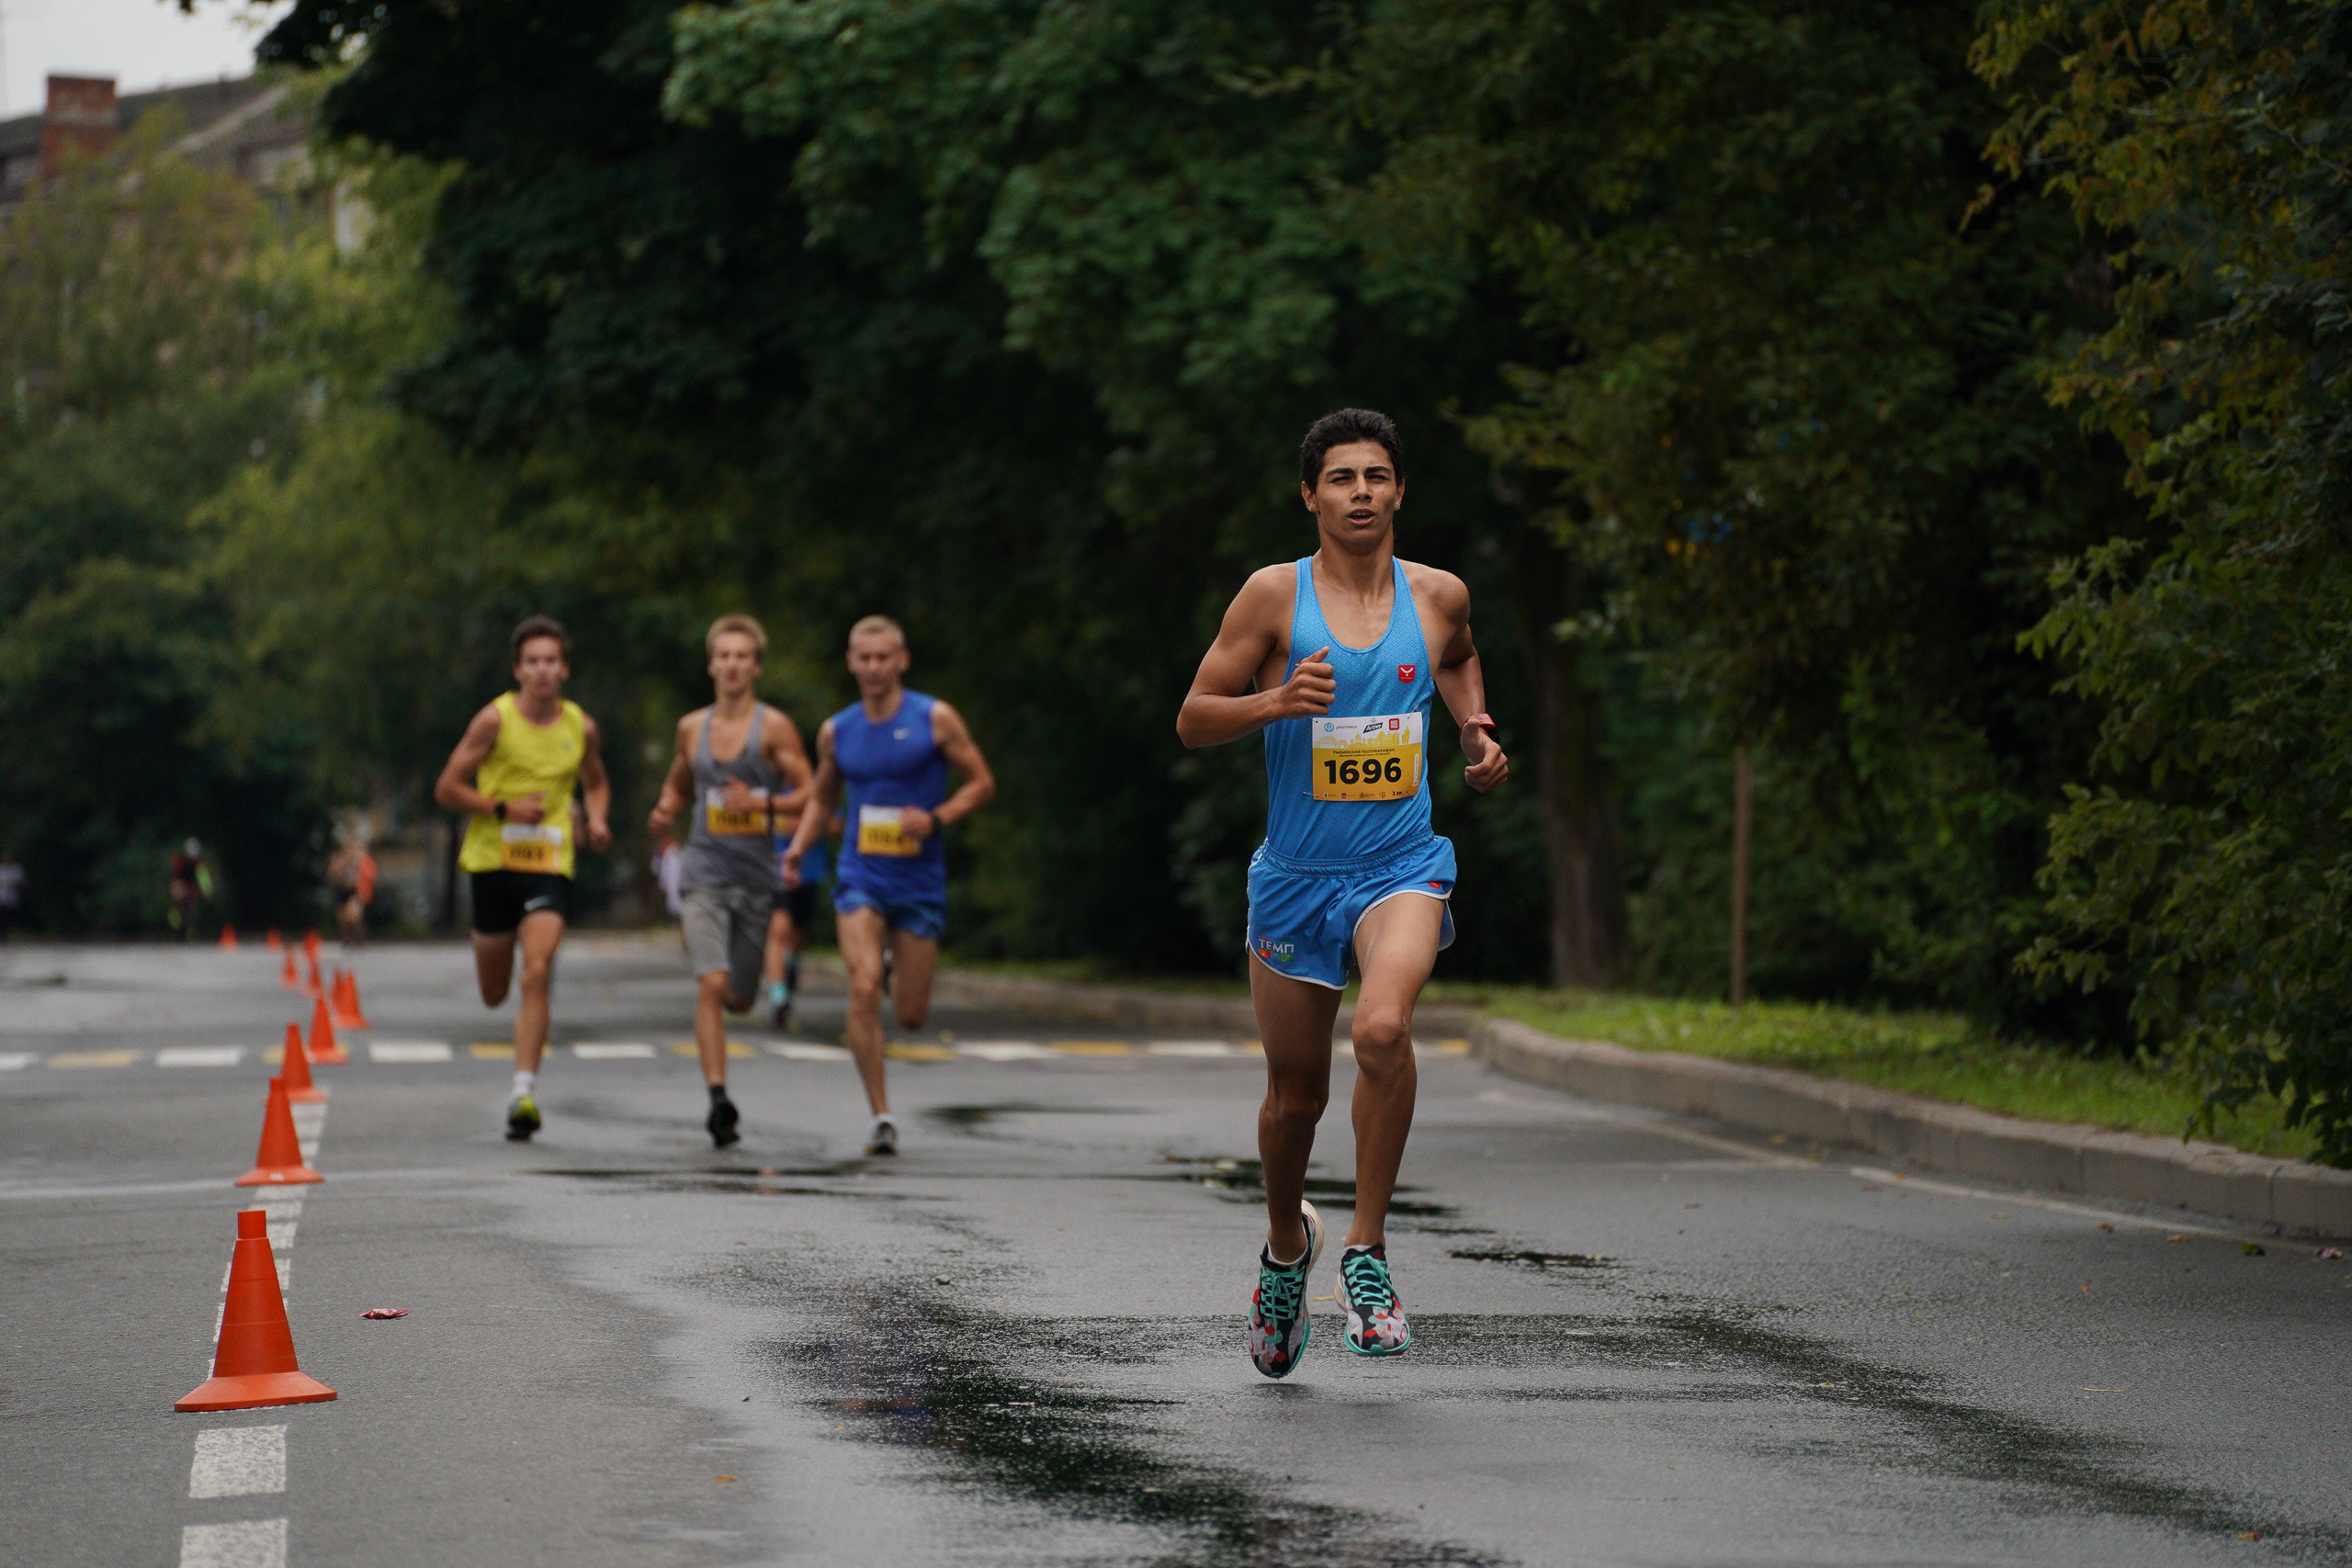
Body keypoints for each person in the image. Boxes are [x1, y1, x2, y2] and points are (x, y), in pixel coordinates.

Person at [1177, 408, 1509, 1379]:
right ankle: (1287, 1250)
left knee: (1383, 1029)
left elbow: (1457, 657)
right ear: (1310, 496)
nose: (1360, 492)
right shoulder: (1271, 597)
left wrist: (1474, 729)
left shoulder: (1438, 594)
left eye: (1376, 476)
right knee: (1295, 1100)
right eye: (1340, 478)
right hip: (1295, 880)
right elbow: (1194, 717)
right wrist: (1277, 700)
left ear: (1399, 490)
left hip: (1401, 865)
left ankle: (1366, 1250)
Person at [781, 616, 995, 1156]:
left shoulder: (934, 718)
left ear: (902, 660)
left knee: (910, 1016)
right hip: (860, 876)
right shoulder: (837, 731)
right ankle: (881, 1115)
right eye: (865, 657)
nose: (874, 667)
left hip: (918, 882)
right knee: (861, 986)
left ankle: (895, 968)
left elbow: (981, 783)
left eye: (883, 657)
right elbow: (823, 799)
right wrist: (798, 847)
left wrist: (937, 817)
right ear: (851, 663)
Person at [434, 615, 613, 1142]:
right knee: (494, 992)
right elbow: (447, 788)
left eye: (551, 661)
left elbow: (596, 782)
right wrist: (503, 808)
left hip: (549, 866)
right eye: (532, 662)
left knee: (537, 971)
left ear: (565, 669)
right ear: (518, 670)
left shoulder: (580, 727)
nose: (542, 671)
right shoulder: (494, 721)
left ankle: (523, 1092)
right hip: (492, 863)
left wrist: (597, 819)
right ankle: (518, 1065)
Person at [646, 615, 813, 1147]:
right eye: (724, 655)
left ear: (756, 667)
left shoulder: (775, 728)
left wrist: (761, 804)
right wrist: (666, 809)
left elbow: (811, 794)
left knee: (739, 998)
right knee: (710, 982)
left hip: (756, 878)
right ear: (711, 665)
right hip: (704, 872)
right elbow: (679, 781)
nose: (732, 665)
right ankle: (718, 1099)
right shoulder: (691, 728)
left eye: (743, 656)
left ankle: (747, 1000)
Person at [760, 801, 835, 1029]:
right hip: (777, 871)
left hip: (809, 872)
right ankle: (778, 995)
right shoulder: (771, 789)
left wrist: (807, 826)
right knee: (779, 930)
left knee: (796, 937)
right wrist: (782, 822)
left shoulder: (817, 791)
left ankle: (789, 971)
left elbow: (836, 824)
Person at [331, 838, 378, 949]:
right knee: (343, 919)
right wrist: (341, 867)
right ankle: (347, 939)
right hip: (342, 890)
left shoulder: (361, 860)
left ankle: (360, 939)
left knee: (353, 915)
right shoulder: (338, 860)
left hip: (356, 891)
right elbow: (333, 876)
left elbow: (370, 876)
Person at [168, 839, 212, 941]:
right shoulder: (180, 860)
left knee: (192, 909)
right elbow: (175, 877)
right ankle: (175, 932)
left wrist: (207, 890)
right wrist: (178, 890)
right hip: (179, 883)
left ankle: (191, 932)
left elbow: (203, 877)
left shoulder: (198, 862)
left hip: (189, 885)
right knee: (177, 908)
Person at [0, 852, 24, 939]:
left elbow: (21, 882)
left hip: (13, 897)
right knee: (3, 915)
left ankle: (12, 932)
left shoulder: (17, 869)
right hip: (2, 897)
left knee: (11, 916)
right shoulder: (1, 869)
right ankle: (3, 933)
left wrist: (12, 884)